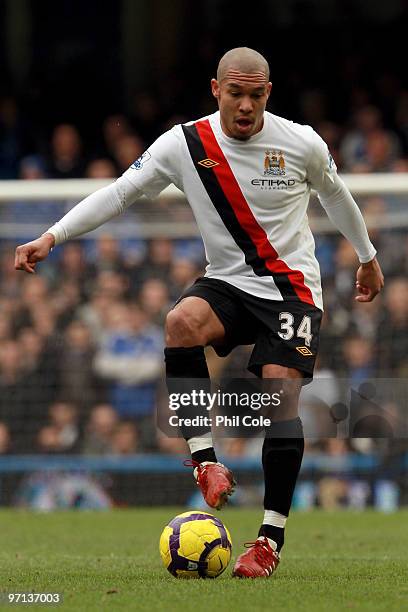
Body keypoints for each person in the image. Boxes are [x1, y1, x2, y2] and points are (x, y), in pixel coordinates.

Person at [14, 47, 384, 578]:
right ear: (216, 90)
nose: (245, 106)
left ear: (267, 95)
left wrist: (368, 259)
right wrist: (52, 236)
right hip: (230, 281)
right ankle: (205, 461)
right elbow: (120, 194)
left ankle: (269, 540)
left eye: (255, 95)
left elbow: (338, 196)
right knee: (179, 322)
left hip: (291, 289)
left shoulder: (301, 142)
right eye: (236, 94)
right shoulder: (185, 144)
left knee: (281, 398)